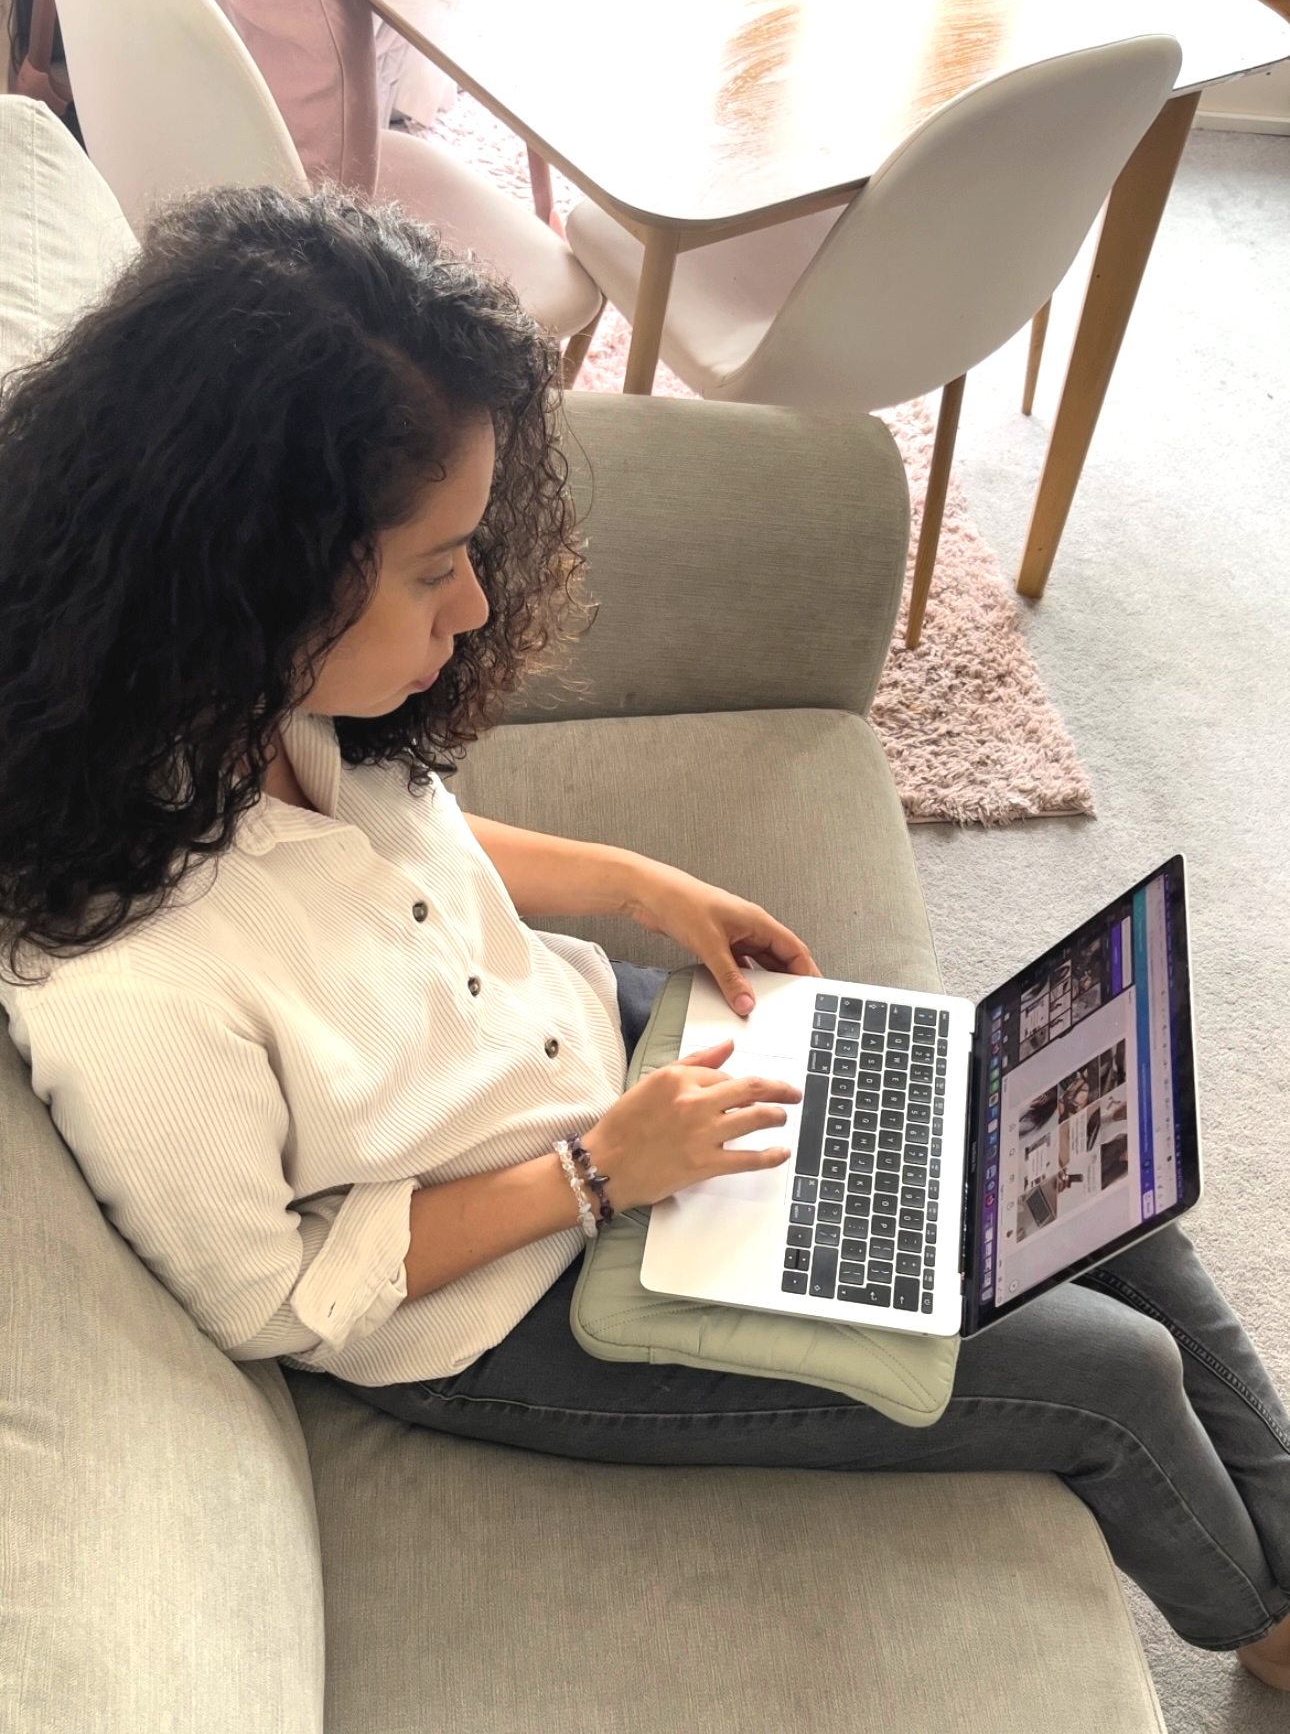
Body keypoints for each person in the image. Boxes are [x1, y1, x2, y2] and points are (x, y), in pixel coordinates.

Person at [1, 184, 1288, 1690]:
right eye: (434, 568)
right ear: (250, 574)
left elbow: (383, 857)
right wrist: (600, 1168)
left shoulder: (231, 699)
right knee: (1116, 1379)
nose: (475, 603)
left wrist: (629, 885)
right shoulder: (124, 973)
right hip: (519, 1298)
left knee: (1071, 1134)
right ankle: (1262, 1628)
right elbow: (269, 1296)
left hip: (590, 1052)